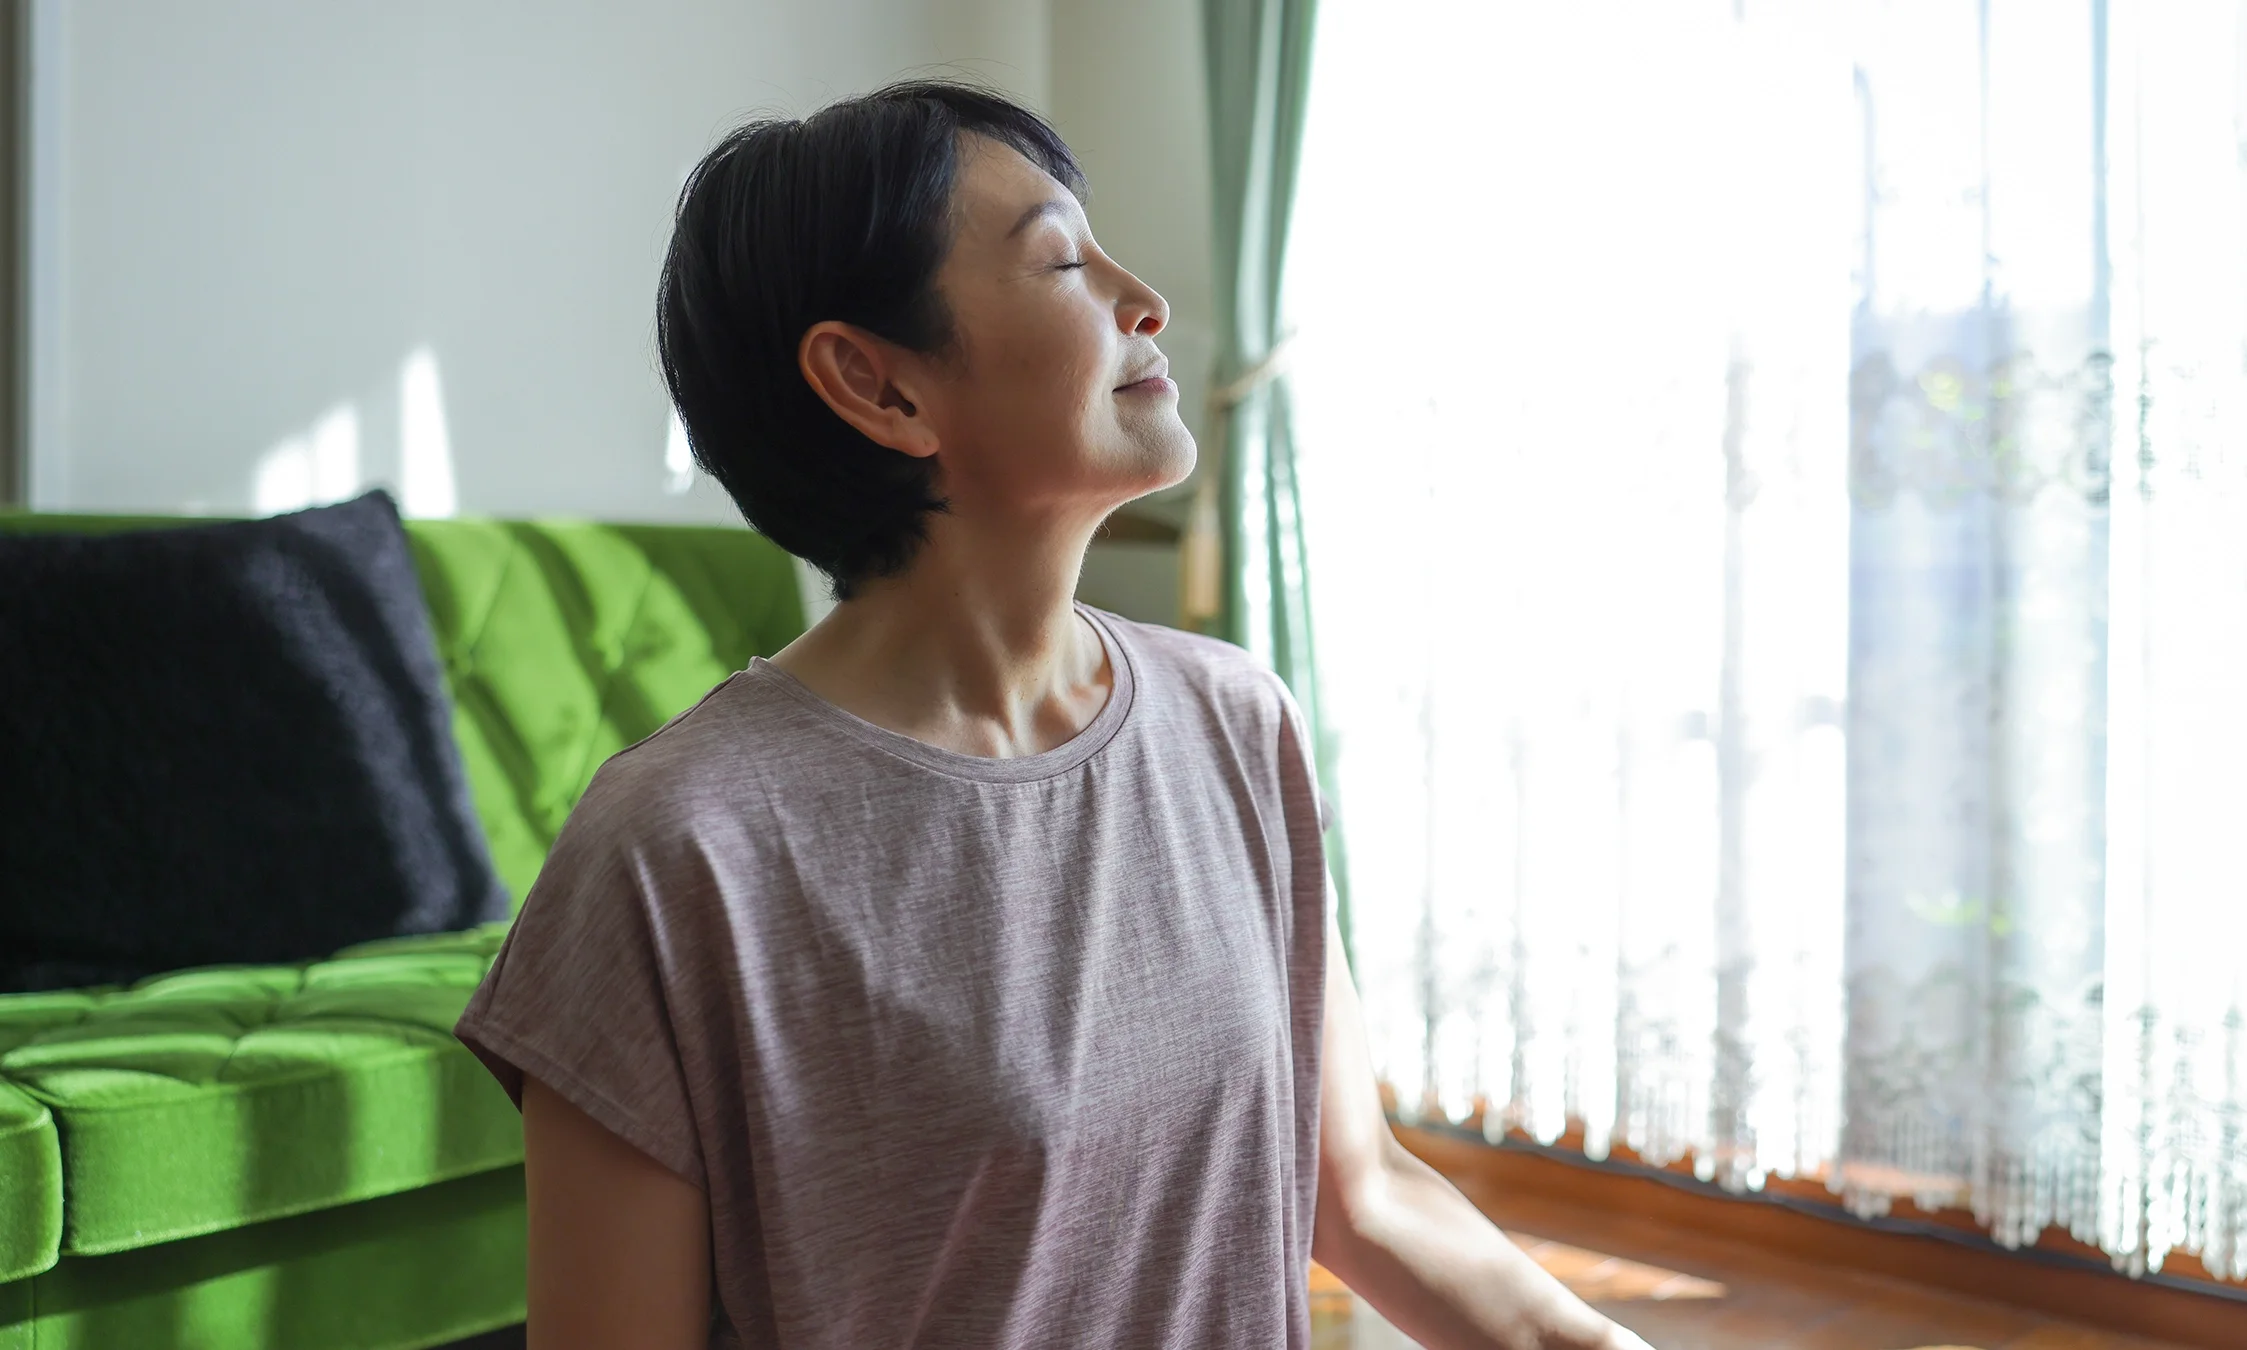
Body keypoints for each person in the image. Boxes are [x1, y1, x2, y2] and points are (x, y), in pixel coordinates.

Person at [453, 79, 1657, 1350]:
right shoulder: (677, 849)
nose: (1146, 299)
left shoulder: (1234, 722)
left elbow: (1357, 1193)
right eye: (1062, 260)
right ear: (879, 386)